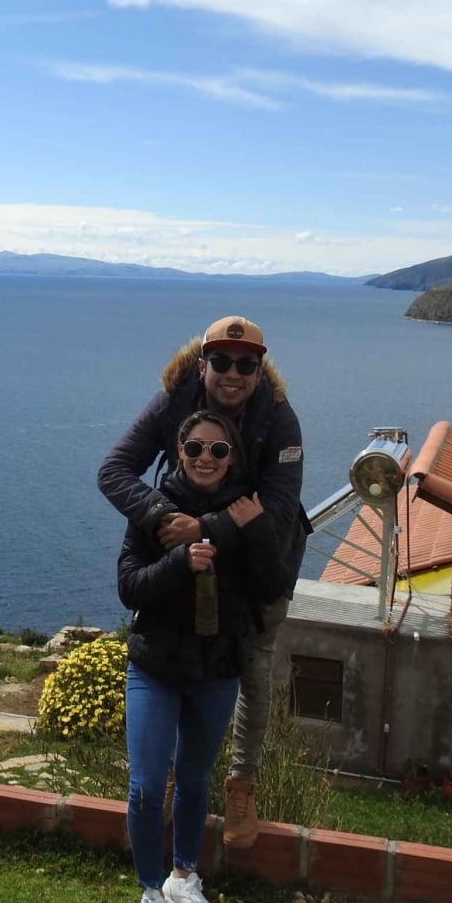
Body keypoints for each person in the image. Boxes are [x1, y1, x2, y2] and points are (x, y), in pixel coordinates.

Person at [99, 315, 308, 850]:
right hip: (186, 551)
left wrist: (206, 527)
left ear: (259, 370)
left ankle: (242, 783)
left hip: (260, 562)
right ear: (202, 364)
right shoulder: (174, 400)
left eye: (245, 364)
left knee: (252, 666)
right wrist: (161, 517)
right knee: (171, 648)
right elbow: (115, 470)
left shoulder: (279, 419)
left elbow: (280, 510)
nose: (232, 374)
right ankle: (168, 777)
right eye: (221, 362)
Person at [119, 410, 285, 903]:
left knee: (193, 779)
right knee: (146, 787)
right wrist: (178, 563)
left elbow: (272, 586)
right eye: (194, 448)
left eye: (218, 450)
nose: (205, 459)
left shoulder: (246, 511)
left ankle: (183, 878)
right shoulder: (154, 509)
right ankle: (151, 895)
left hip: (216, 671)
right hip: (155, 666)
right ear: (179, 452)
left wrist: (254, 528)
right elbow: (128, 587)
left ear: (233, 456)